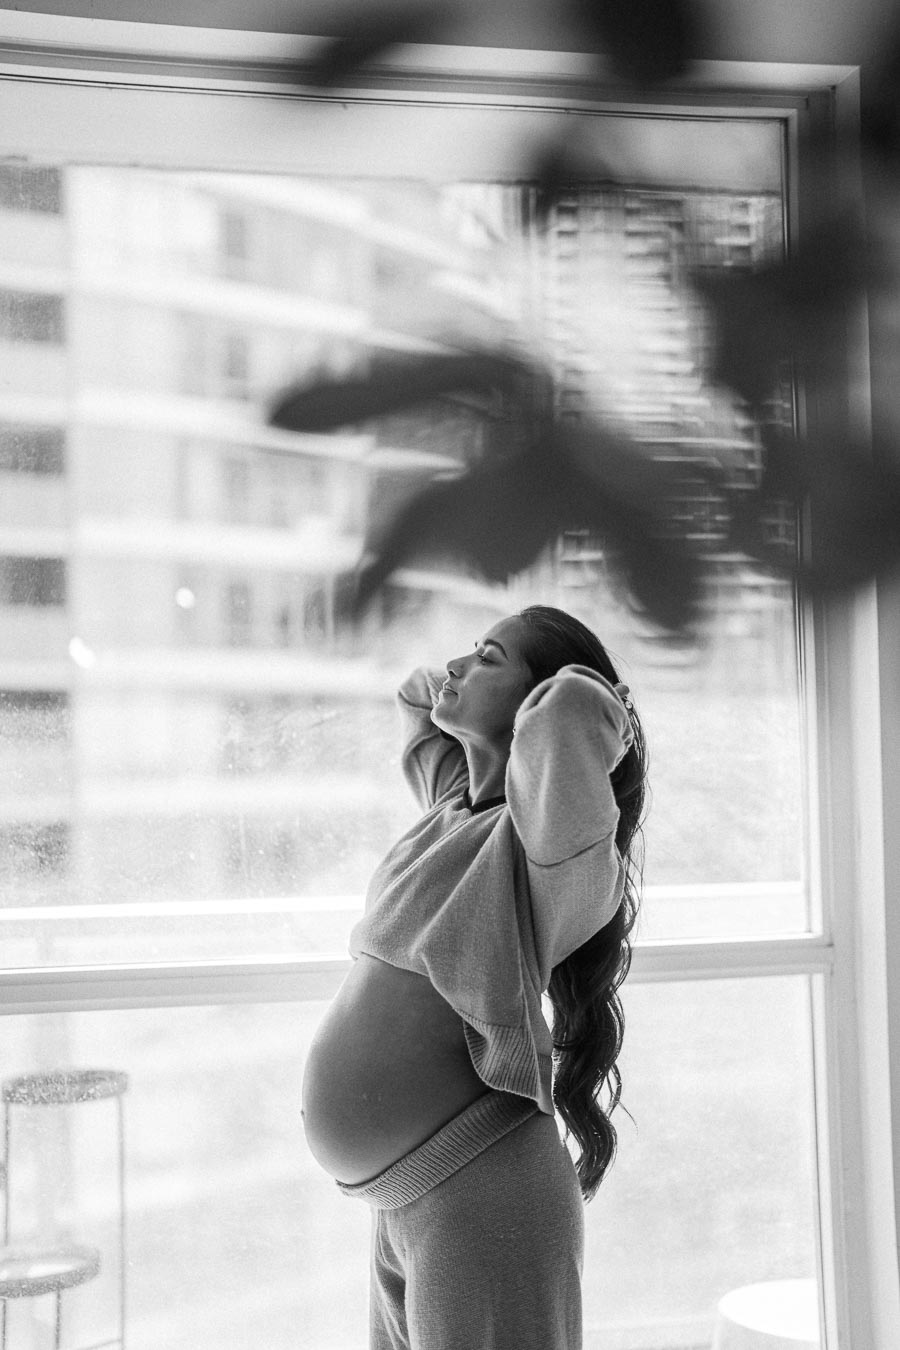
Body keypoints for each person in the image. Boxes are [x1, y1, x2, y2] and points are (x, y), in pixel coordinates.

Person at [301, 603, 648, 1350]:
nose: (456, 666)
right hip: (403, 1203)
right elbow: (415, 694)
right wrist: (482, 677)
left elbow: (574, 711)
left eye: (487, 657)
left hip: (482, 1195)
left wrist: (593, 697)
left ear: (535, 706)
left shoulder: (555, 855)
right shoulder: (449, 814)